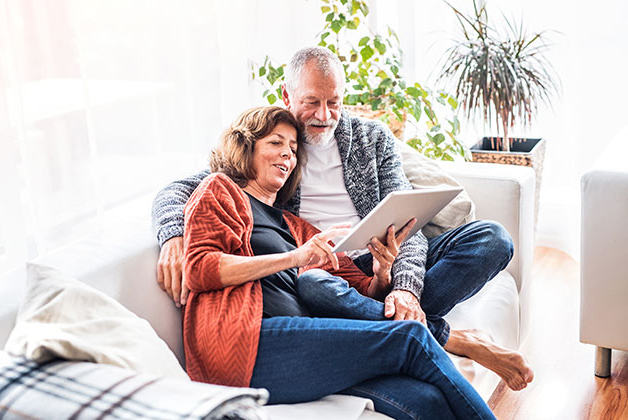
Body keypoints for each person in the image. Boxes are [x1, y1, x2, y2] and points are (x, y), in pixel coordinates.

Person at [152, 46, 534, 391]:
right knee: (316, 286)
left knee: (492, 239)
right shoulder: (272, 143)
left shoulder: (372, 138)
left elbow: (409, 224)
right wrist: (173, 237)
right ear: (287, 96)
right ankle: (445, 337)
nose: (324, 115)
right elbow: (180, 190)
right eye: (312, 102)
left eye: (333, 102)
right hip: (325, 270)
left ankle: (393, 323)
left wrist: (403, 286)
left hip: (382, 256)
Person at [184, 105, 496, 419]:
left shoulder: (296, 226)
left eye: (293, 149)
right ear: (245, 146)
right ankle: (442, 336)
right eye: (275, 143)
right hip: (247, 344)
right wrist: (295, 257)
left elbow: (363, 292)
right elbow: (199, 269)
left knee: (426, 400)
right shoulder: (220, 191)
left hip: (307, 340)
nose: (287, 156)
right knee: (411, 337)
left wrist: (382, 272)